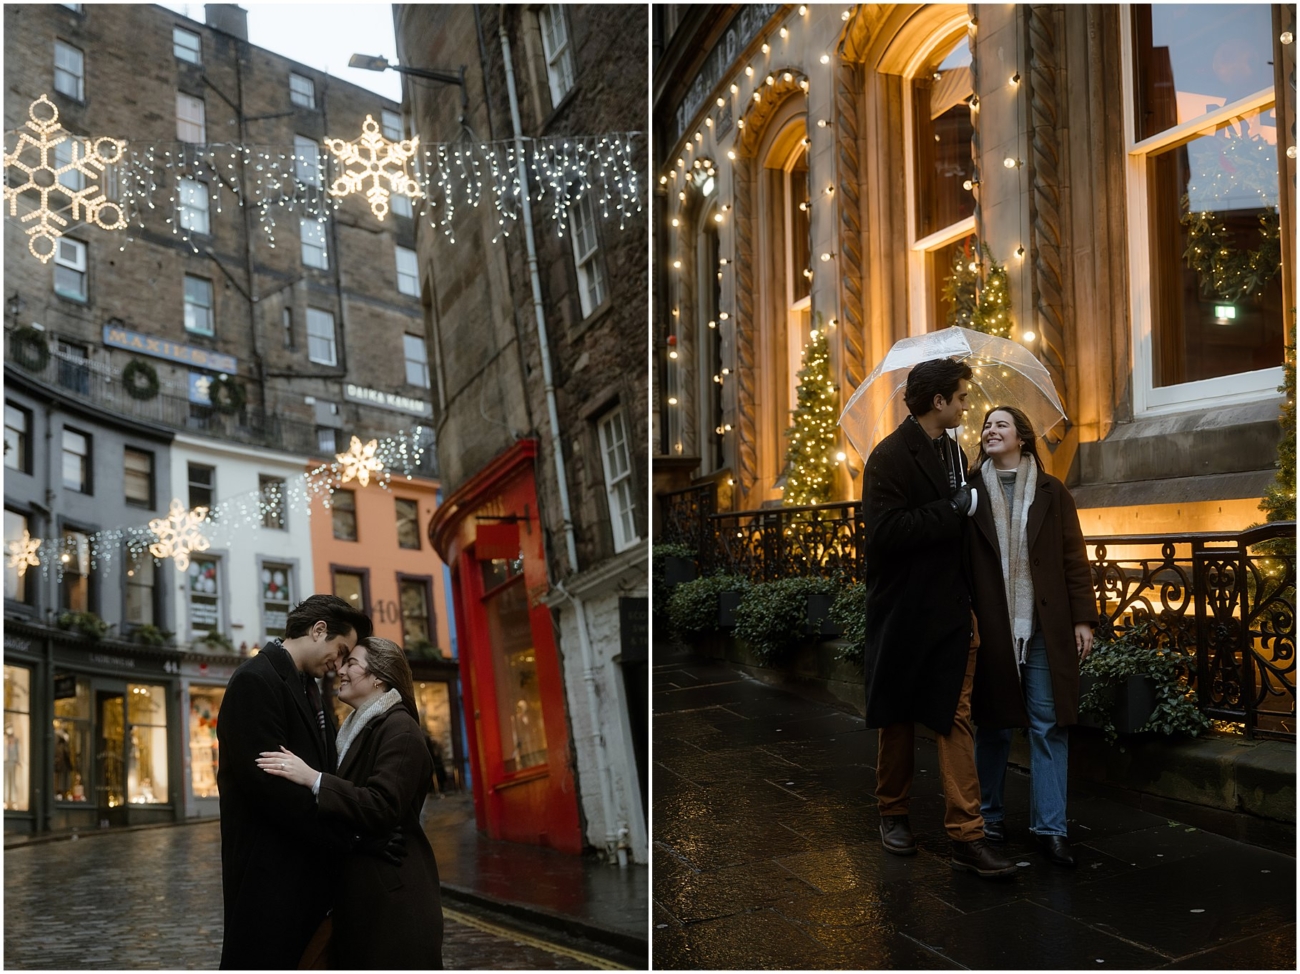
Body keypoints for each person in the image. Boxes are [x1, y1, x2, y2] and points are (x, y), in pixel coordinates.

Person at [861, 357, 1017, 879]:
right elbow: (885, 534)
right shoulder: (888, 457)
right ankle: (893, 812)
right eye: (963, 397)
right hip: (905, 608)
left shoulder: (953, 450)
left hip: (951, 609)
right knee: (899, 716)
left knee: (956, 714)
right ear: (938, 402)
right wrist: (952, 509)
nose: (968, 404)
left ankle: (967, 835)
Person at [258, 636, 444, 969]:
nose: (341, 670)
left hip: (392, 901)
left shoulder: (400, 731)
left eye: (352, 663)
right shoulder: (361, 728)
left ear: (378, 678)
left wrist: (314, 779)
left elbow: (382, 806)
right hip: (364, 898)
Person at [967, 405, 1098, 867]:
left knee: (1049, 723)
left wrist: (1083, 619)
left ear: (1022, 437)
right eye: (986, 425)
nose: (990, 430)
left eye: (1000, 424)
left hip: (1043, 625)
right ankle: (988, 820)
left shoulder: (1052, 491)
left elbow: (1073, 558)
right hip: (992, 626)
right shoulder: (968, 494)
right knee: (994, 725)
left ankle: (1051, 827)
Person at [216, 594, 372, 969]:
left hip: (301, 876)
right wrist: (346, 837)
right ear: (318, 630)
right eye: (340, 650)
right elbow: (271, 790)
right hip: (268, 875)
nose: (339, 663)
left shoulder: (309, 688)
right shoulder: (255, 680)